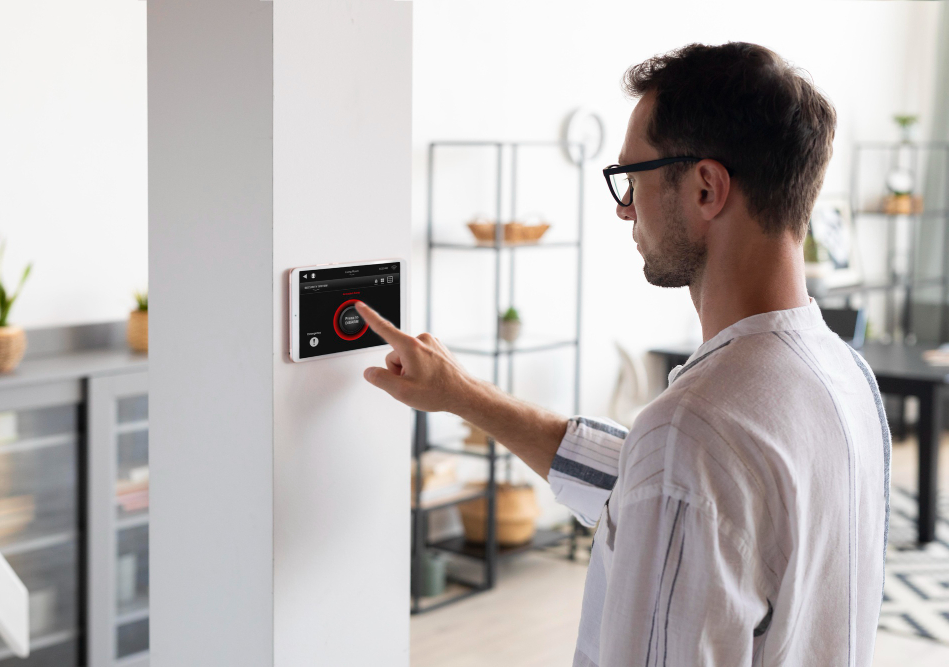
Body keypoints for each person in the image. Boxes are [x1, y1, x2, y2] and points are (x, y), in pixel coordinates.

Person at [354, 42, 890, 666]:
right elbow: (647, 485)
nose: (623, 208)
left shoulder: (694, 432)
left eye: (632, 179)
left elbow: (675, 477)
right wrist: (461, 394)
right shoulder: (845, 377)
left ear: (706, 187)